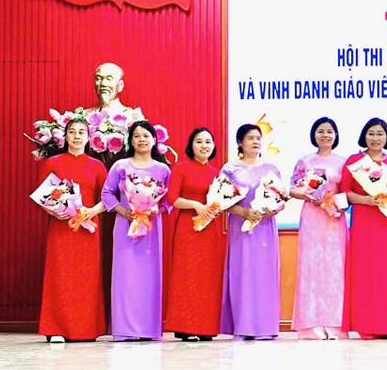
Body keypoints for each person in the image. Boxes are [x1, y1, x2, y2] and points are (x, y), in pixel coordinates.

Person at [36, 117, 108, 343]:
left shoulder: (97, 166)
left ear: (89, 137)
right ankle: (56, 329)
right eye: (72, 132)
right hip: (61, 228)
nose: (77, 136)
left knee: (87, 278)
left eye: (81, 132)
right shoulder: (53, 163)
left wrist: (92, 211)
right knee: (60, 276)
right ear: (65, 137)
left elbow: (108, 197)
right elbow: (42, 195)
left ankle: (86, 329)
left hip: (88, 229)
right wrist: (53, 212)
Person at [101, 121, 171, 341]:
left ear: (154, 140)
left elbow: (170, 199)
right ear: (130, 140)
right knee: (125, 276)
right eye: (137, 136)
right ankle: (124, 329)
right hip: (125, 226)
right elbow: (107, 193)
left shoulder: (163, 169)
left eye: (146, 135)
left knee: (150, 277)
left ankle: (148, 329)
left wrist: (156, 209)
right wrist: (123, 210)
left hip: (151, 228)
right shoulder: (121, 166)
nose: (142, 140)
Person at [220, 123, 285, 340]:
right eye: (250, 138)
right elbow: (222, 202)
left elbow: (280, 199)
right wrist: (244, 212)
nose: (255, 141)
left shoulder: (271, 169)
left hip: (265, 228)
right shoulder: (231, 169)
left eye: (258, 138)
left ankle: (266, 327)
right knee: (243, 273)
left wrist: (270, 210)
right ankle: (244, 326)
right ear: (240, 142)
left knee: (265, 275)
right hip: (241, 227)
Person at [341, 118, 387, 339]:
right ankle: (365, 325)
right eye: (371, 133)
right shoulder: (354, 161)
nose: (375, 138)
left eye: (380, 134)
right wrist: (366, 200)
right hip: (364, 222)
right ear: (364, 136)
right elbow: (345, 192)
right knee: (364, 272)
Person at [289, 117, 349, 340]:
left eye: (329, 131)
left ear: (336, 135)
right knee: (311, 267)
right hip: (312, 217)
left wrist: (337, 203)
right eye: (321, 131)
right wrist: (309, 195)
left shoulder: (344, 162)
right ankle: (310, 326)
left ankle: (335, 325)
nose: (325, 135)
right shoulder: (305, 161)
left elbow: (348, 192)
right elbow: (292, 189)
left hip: (334, 219)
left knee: (335, 269)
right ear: (314, 134)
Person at [165, 128, 225, 341]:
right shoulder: (181, 168)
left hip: (210, 230)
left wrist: (217, 208)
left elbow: (223, 200)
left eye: (208, 141)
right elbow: (172, 198)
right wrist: (196, 205)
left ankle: (206, 327)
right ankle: (186, 327)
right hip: (188, 228)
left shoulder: (218, 173)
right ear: (191, 145)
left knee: (208, 277)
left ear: (214, 146)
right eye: (199, 141)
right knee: (187, 275)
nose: (204, 145)